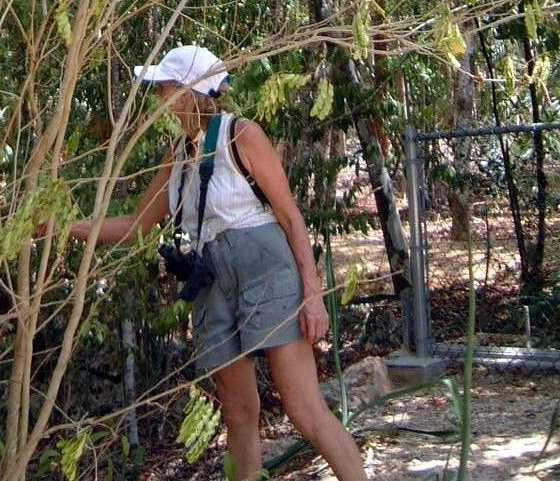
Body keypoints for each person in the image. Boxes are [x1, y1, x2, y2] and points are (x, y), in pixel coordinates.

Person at [68, 45, 367, 481]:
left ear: (191, 91)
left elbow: (289, 215)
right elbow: (136, 225)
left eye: (165, 87)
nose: (159, 98)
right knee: (239, 414)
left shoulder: (239, 135)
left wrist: (313, 293)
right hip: (211, 279)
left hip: (264, 268)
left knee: (303, 408)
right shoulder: (179, 154)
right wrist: (60, 228)